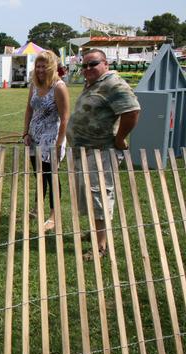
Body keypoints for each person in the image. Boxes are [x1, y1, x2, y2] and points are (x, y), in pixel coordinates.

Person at [67, 48, 140, 260]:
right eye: (85, 65)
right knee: (89, 196)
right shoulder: (94, 83)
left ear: (105, 64)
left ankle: (100, 246)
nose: (88, 68)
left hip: (101, 153)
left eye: (93, 64)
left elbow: (132, 111)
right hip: (85, 151)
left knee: (98, 196)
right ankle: (95, 231)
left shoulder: (113, 83)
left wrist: (119, 138)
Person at [22, 50, 70, 232]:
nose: (40, 69)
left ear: (52, 67)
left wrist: (58, 144)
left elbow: (65, 118)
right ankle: (37, 208)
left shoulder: (59, 87)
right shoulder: (34, 85)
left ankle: (53, 216)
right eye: (38, 66)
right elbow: (29, 109)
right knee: (39, 175)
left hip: (51, 139)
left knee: (51, 177)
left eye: (44, 66)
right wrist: (25, 132)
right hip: (34, 138)